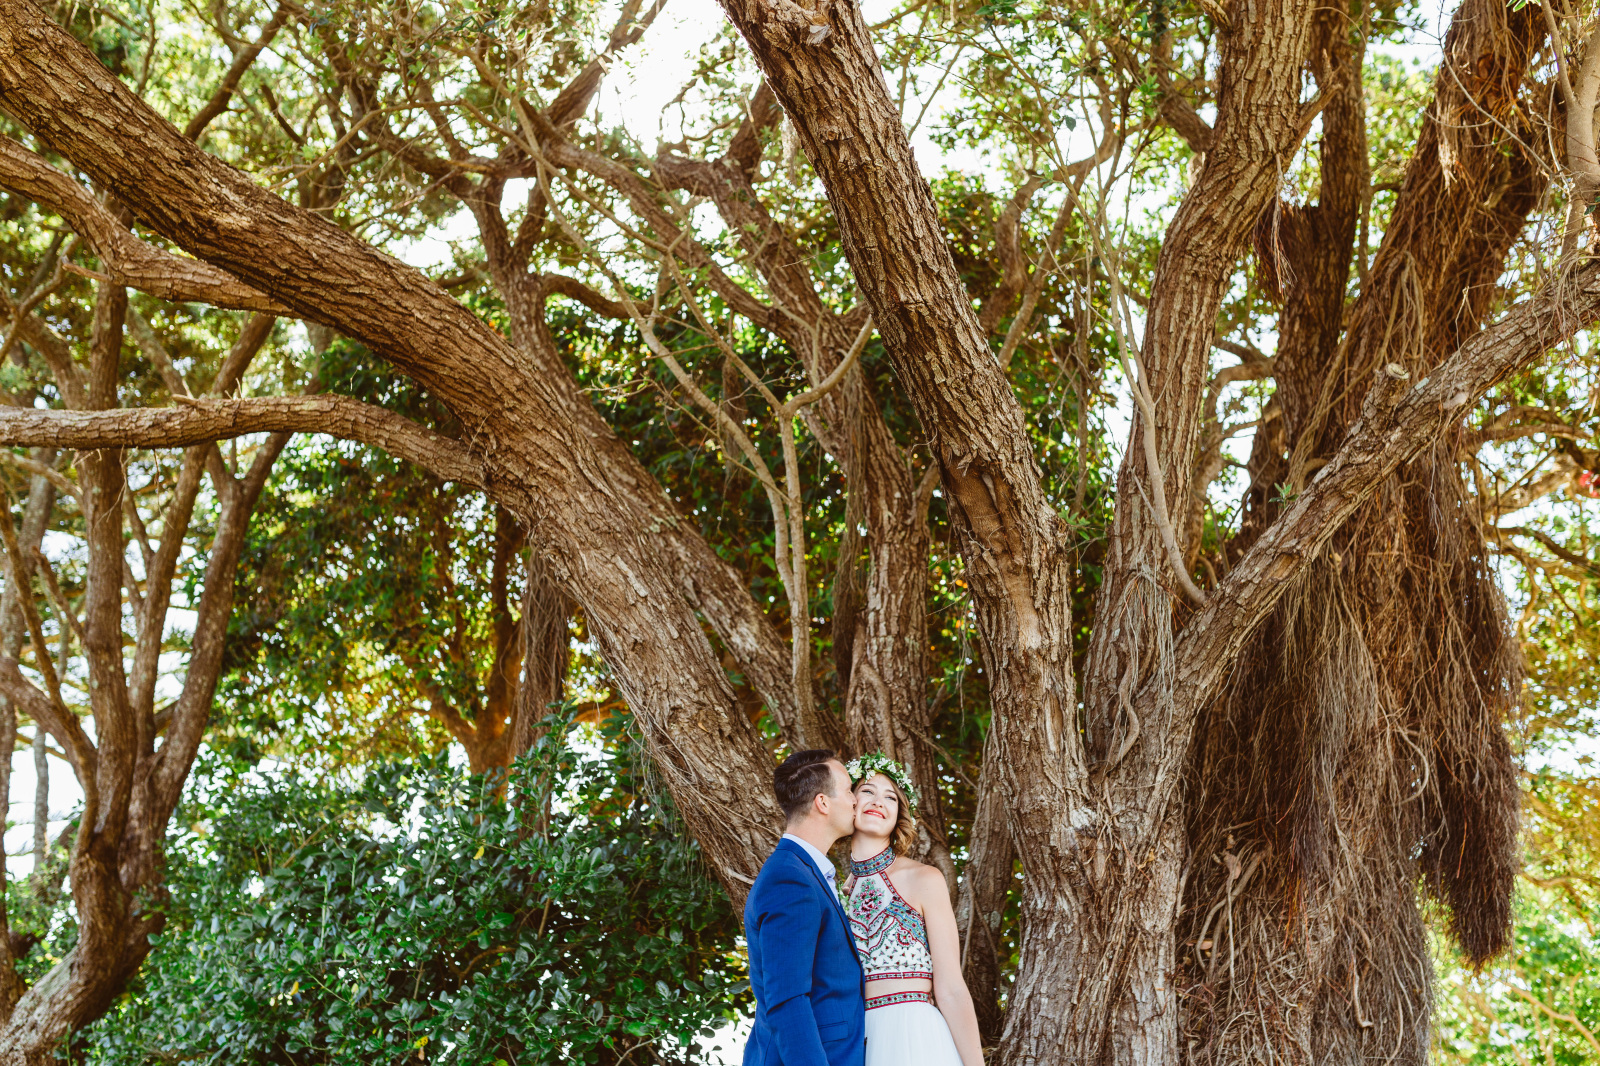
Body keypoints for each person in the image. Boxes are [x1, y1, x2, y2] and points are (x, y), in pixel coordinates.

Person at [841, 753, 984, 1066]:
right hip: (854, 1042)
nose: (878, 801)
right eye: (867, 790)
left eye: (890, 797)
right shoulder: (837, 893)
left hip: (914, 1035)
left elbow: (951, 989)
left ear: (898, 815)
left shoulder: (924, 878)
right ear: (848, 802)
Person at [744, 749, 866, 1066]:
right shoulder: (790, 879)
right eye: (849, 790)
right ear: (822, 803)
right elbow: (787, 1000)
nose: (856, 800)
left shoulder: (804, 873)